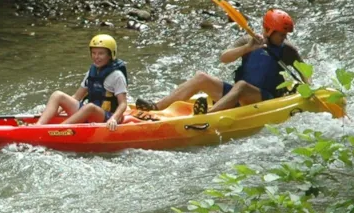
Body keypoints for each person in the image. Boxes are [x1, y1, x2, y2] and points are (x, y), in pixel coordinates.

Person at [135, 8, 303, 115]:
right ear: (269, 30)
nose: (284, 38)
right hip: (238, 96)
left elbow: (305, 72)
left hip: (266, 99)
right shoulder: (248, 40)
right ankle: (157, 107)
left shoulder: (287, 49)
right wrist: (248, 48)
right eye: (281, 34)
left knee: (242, 85)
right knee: (201, 77)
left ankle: (209, 114)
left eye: (285, 34)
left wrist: (306, 91)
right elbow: (224, 58)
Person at [35, 34, 128, 130]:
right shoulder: (92, 71)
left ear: (110, 55)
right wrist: (57, 111)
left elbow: (123, 104)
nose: (96, 57)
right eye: (94, 53)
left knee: (90, 107)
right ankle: (38, 126)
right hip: (89, 112)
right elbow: (77, 97)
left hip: (107, 116)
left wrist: (113, 119)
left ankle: (58, 130)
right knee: (57, 95)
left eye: (101, 53)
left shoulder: (117, 75)